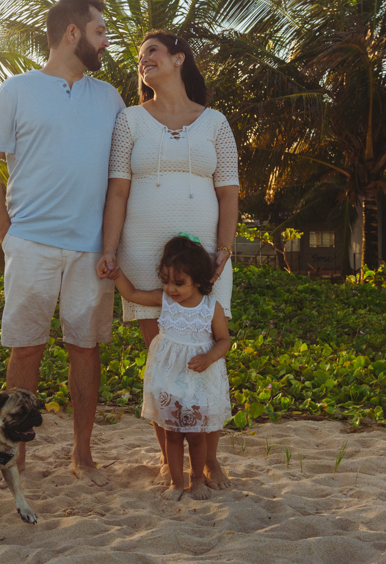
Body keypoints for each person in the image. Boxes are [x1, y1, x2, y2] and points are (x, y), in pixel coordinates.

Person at [0, 0, 125, 486]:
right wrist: (5, 232)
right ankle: (13, 460)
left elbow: (124, 175)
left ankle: (82, 453)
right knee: (26, 350)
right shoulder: (16, 90)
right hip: (31, 244)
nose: (106, 41)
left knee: (86, 348)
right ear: (72, 34)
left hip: (90, 248)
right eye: (100, 31)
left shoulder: (110, 98)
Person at [96, 30, 239, 489]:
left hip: (205, 258)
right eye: (139, 57)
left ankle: (209, 461)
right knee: (163, 366)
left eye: (152, 52)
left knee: (205, 357)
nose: (143, 61)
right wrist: (110, 248)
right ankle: (168, 459)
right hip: (144, 252)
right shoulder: (130, 121)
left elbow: (230, 192)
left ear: (179, 59)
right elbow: (117, 188)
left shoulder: (215, 121)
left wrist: (225, 248)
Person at [113, 235, 232, 500]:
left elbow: (225, 340)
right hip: (169, 380)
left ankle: (198, 479)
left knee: (197, 436)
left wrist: (210, 356)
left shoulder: (211, 308)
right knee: (173, 434)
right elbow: (131, 294)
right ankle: (177, 483)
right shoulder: (164, 301)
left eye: (179, 282)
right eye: (166, 281)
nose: (171, 288)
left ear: (198, 280)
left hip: (199, 380)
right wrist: (116, 274)